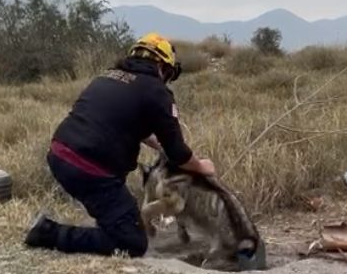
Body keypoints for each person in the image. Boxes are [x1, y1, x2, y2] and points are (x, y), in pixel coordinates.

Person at [24, 33, 216, 257]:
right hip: (90, 170)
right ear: (164, 67)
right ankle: (48, 233)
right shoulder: (156, 90)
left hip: (60, 155)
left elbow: (120, 121)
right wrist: (203, 167)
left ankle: (104, 225)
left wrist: (159, 146)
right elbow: (179, 154)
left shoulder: (107, 77)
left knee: (117, 211)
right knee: (131, 242)